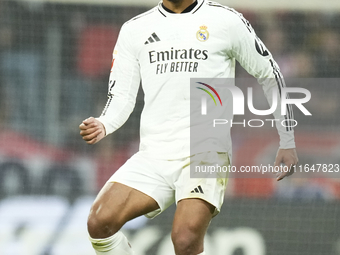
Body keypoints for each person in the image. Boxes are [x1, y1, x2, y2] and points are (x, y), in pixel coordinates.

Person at [79, 0, 298, 254]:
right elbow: (121, 98)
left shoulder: (225, 20)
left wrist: (287, 138)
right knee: (99, 222)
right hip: (154, 153)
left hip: (205, 149)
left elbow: (269, 73)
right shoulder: (134, 29)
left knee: (185, 239)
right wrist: (104, 123)